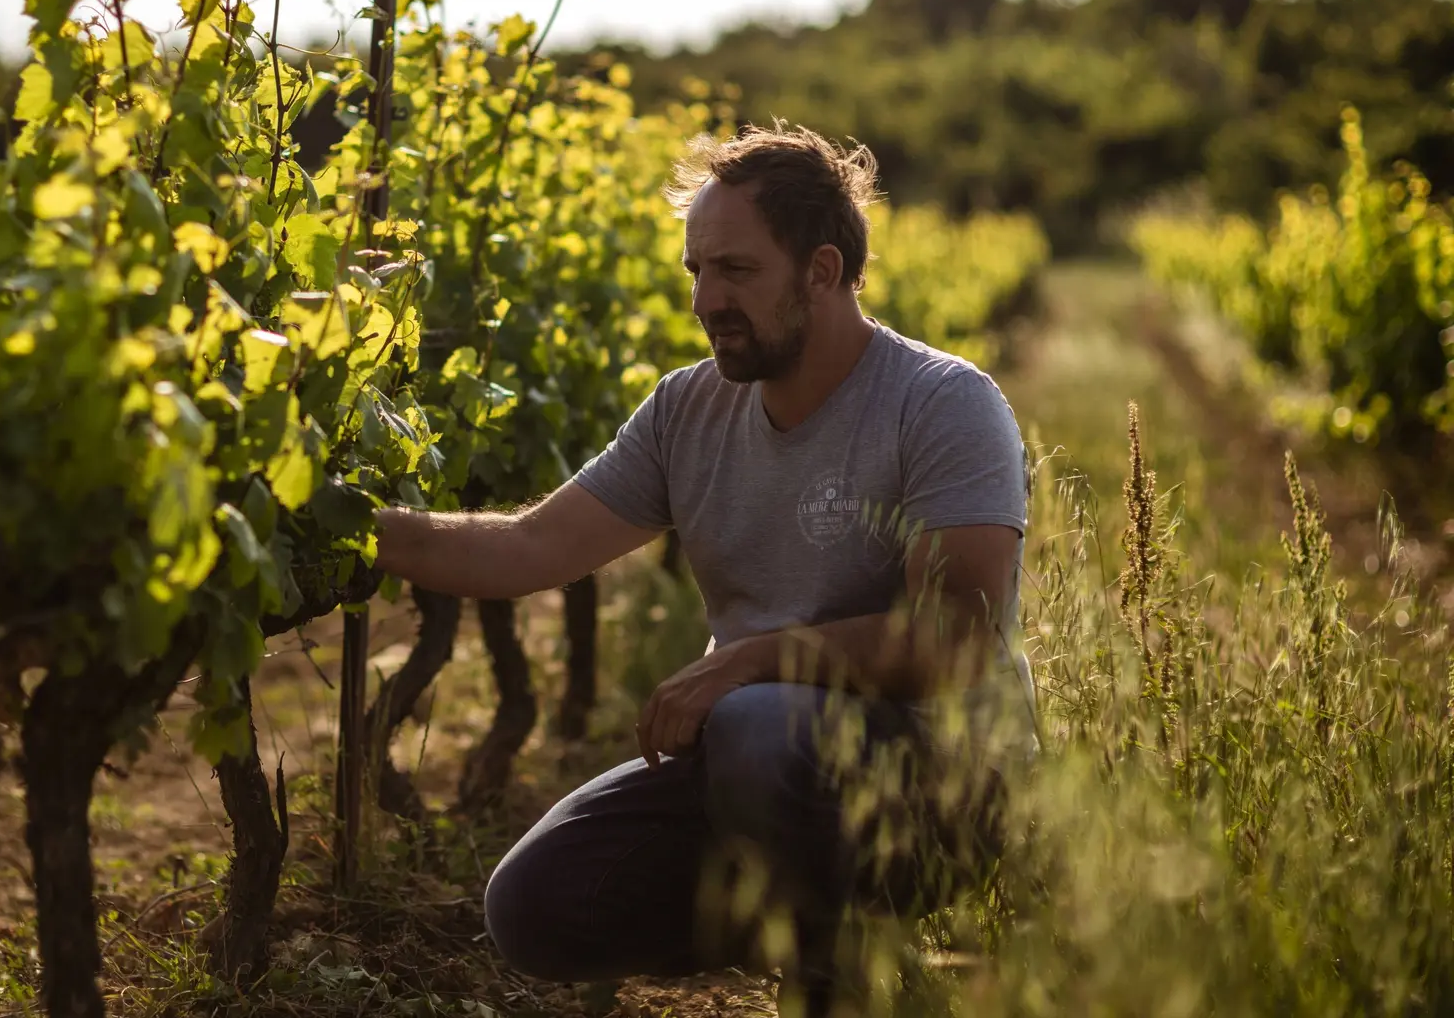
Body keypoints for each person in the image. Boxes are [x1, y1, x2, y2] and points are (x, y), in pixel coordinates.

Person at [372, 121, 1038, 1008]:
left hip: (943, 786)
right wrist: (351, 526)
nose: (705, 300)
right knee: (535, 908)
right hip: (758, 762)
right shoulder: (690, 409)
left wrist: (746, 660)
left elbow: (955, 640)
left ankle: (839, 985)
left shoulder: (943, 404)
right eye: (696, 272)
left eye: (736, 271)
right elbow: (530, 546)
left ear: (823, 271)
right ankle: (809, 928)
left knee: (759, 724)